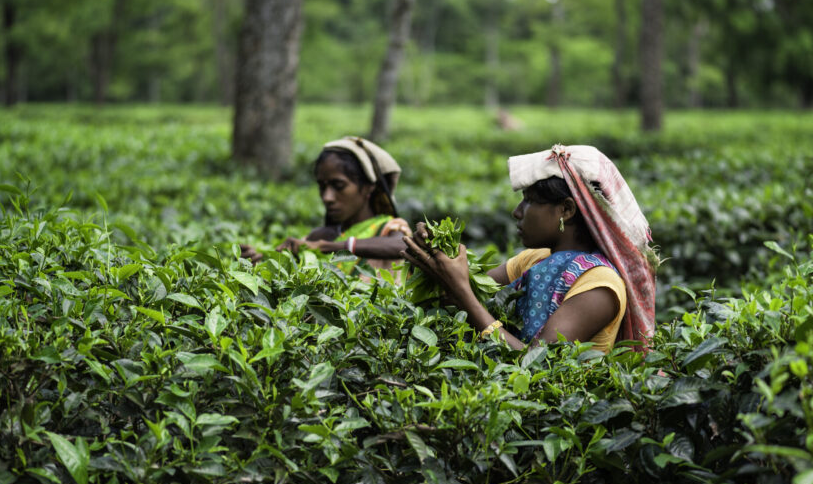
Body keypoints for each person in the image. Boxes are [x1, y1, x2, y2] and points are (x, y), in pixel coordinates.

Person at [402, 144, 658, 352]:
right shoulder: (534, 259)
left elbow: (536, 363)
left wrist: (461, 290)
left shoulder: (599, 284)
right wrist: (434, 248)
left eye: (530, 201)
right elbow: (461, 291)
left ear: (566, 210)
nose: (517, 212)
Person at [240, 136, 412, 276]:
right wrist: (255, 265)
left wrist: (329, 247)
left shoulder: (389, 229)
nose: (327, 197)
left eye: (339, 186)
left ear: (368, 188)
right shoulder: (319, 236)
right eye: (322, 186)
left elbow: (403, 246)